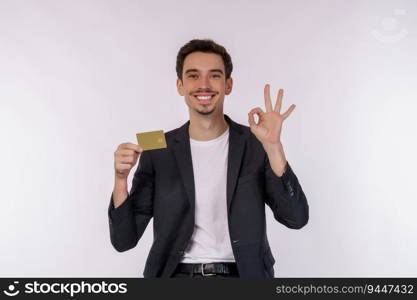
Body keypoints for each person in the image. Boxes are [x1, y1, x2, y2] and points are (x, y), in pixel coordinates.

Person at [108, 39, 309, 278]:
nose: (203, 85)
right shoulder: (157, 147)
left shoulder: (256, 143)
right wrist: (120, 180)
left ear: (228, 85)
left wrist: (274, 148)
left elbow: (296, 219)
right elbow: (123, 240)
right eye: (193, 76)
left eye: (214, 75)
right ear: (180, 85)